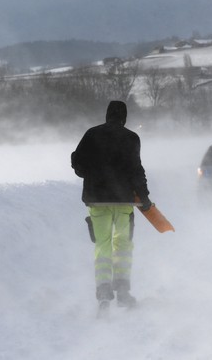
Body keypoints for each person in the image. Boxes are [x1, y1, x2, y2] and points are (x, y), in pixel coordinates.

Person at [71, 100, 152, 316]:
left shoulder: (91, 134)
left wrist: (90, 172)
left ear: (107, 114)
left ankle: (104, 293)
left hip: (97, 201)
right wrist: (144, 197)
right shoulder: (131, 138)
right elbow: (137, 170)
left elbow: (77, 162)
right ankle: (123, 291)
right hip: (124, 201)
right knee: (123, 245)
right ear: (124, 117)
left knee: (102, 246)